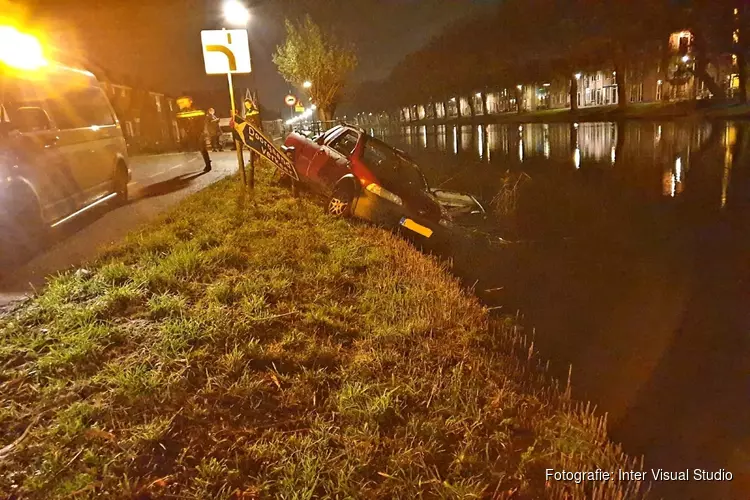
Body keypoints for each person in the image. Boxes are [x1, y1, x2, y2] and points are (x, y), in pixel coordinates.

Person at [175, 96, 211, 172]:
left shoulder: (196, 108)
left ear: (190, 101)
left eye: (185, 101)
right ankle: (193, 161)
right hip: (191, 132)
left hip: (200, 131)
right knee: (191, 147)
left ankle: (208, 165)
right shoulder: (184, 110)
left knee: (202, 148)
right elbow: (182, 120)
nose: (183, 103)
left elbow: (202, 118)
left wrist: (202, 130)